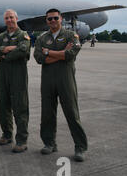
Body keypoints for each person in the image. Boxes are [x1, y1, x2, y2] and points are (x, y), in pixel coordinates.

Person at [34, 8, 88, 162]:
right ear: (46, 21)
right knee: (47, 114)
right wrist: (60, 54)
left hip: (66, 79)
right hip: (48, 80)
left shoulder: (71, 35)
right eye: (49, 19)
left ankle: (80, 147)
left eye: (55, 18)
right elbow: (38, 58)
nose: (52, 21)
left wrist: (48, 53)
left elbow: (71, 54)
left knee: (72, 113)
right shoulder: (42, 38)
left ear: (61, 18)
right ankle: (49, 143)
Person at [0, 9, 30, 153]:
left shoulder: (23, 35)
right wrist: (7, 48)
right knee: (4, 106)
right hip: (4, 76)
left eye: (11, 17)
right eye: (6, 18)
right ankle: (7, 135)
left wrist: (5, 55)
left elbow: (23, 50)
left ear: (16, 18)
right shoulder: (1, 36)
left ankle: (22, 140)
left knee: (20, 107)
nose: (9, 20)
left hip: (18, 75)